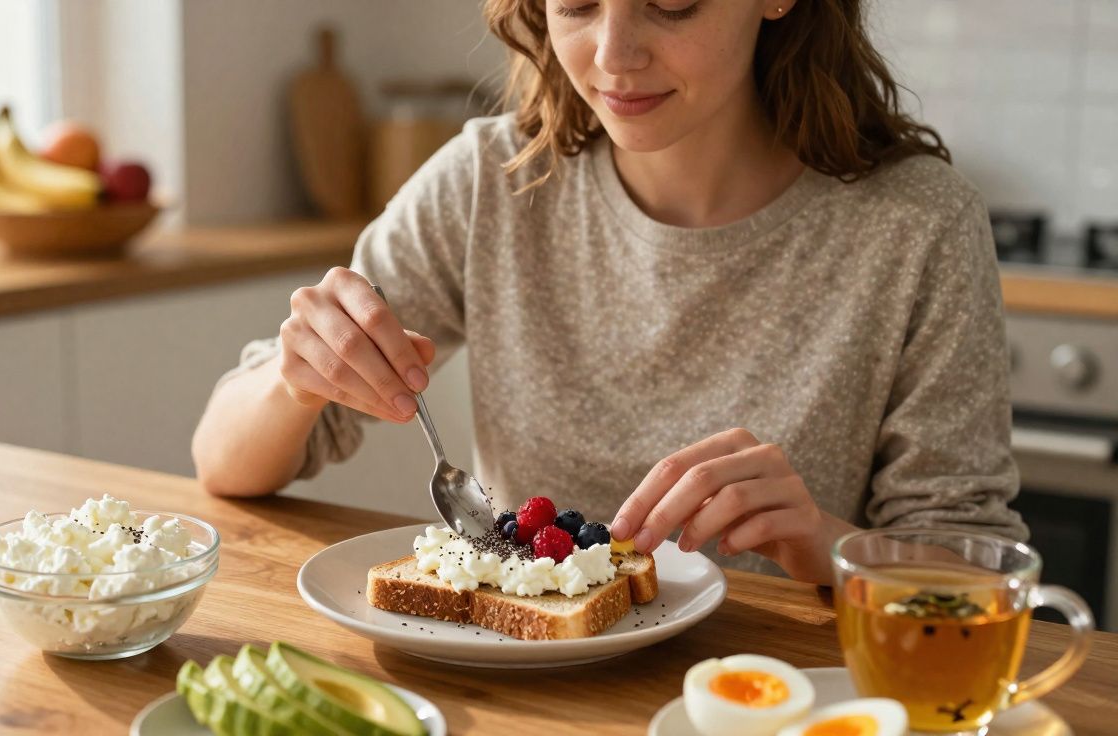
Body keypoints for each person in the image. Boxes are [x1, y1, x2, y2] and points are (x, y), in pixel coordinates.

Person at [192, 0, 1026, 585]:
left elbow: (973, 575)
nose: (613, 55)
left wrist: (823, 543)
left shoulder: (919, 225)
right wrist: (295, 379)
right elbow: (224, 463)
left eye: (673, 3)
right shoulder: (492, 179)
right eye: (579, 2)